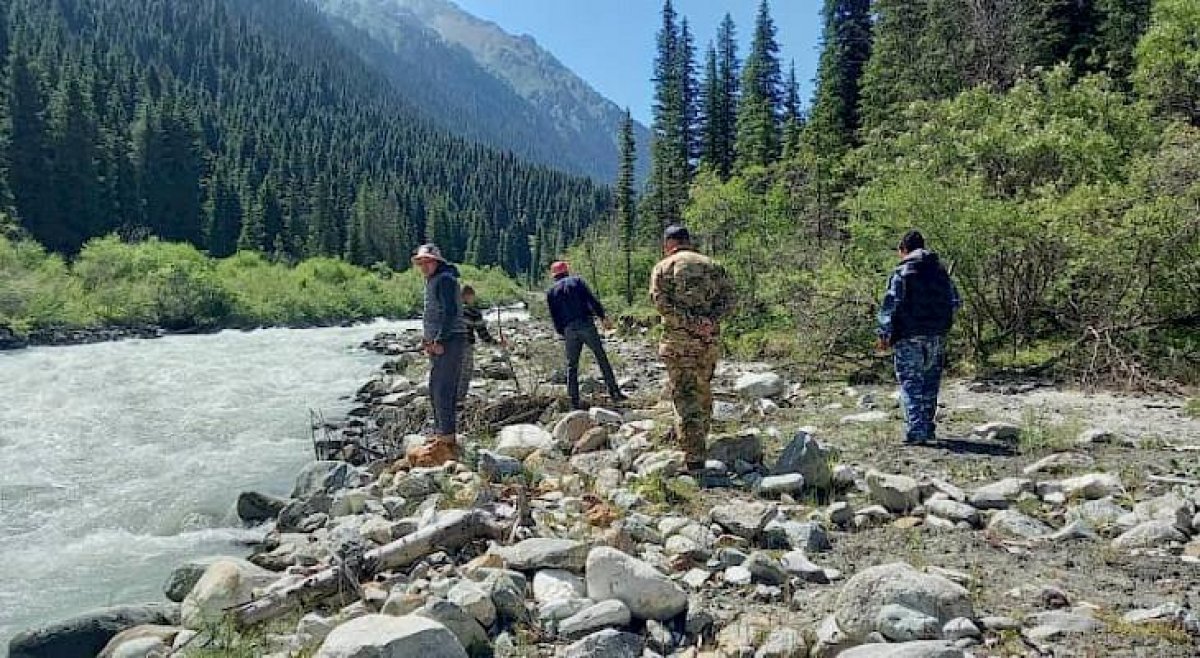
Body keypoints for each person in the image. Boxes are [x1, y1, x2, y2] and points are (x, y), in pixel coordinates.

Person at [649, 225, 736, 473]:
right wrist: (710, 322)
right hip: (708, 342)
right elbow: (730, 300)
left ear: (669, 243)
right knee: (703, 389)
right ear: (688, 241)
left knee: (685, 393)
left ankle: (694, 458)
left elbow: (660, 303)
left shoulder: (663, 267)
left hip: (679, 342)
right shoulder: (713, 265)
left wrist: (691, 323)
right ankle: (700, 440)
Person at [876, 230, 961, 445]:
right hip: (937, 335)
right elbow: (955, 302)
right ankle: (928, 427)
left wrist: (884, 334)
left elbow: (890, 305)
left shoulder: (901, 272)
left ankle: (916, 430)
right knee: (930, 384)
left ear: (903, 249)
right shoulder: (941, 272)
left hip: (908, 336)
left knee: (911, 383)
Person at [407, 244, 468, 467]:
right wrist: (429, 341)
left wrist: (440, 340)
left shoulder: (444, 280)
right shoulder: (435, 279)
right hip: (440, 342)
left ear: (437, 262)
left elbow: (450, 313)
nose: (424, 266)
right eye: (421, 262)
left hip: (450, 341)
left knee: (443, 390)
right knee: (435, 388)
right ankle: (441, 434)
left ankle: (447, 440)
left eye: (428, 261)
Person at [545, 260, 626, 409]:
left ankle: (573, 401)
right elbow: (591, 300)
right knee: (601, 357)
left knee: (572, 366)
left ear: (554, 275)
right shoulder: (577, 281)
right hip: (586, 324)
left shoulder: (551, 292)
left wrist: (562, 332)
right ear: (567, 271)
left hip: (569, 329)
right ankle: (614, 392)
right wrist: (602, 316)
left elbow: (554, 316)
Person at [458, 285, 501, 401]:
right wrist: (497, 343)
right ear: (469, 296)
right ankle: (459, 399)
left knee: (452, 373)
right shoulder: (473, 312)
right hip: (465, 345)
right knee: (465, 373)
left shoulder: (451, 310)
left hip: (449, 345)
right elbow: (483, 334)